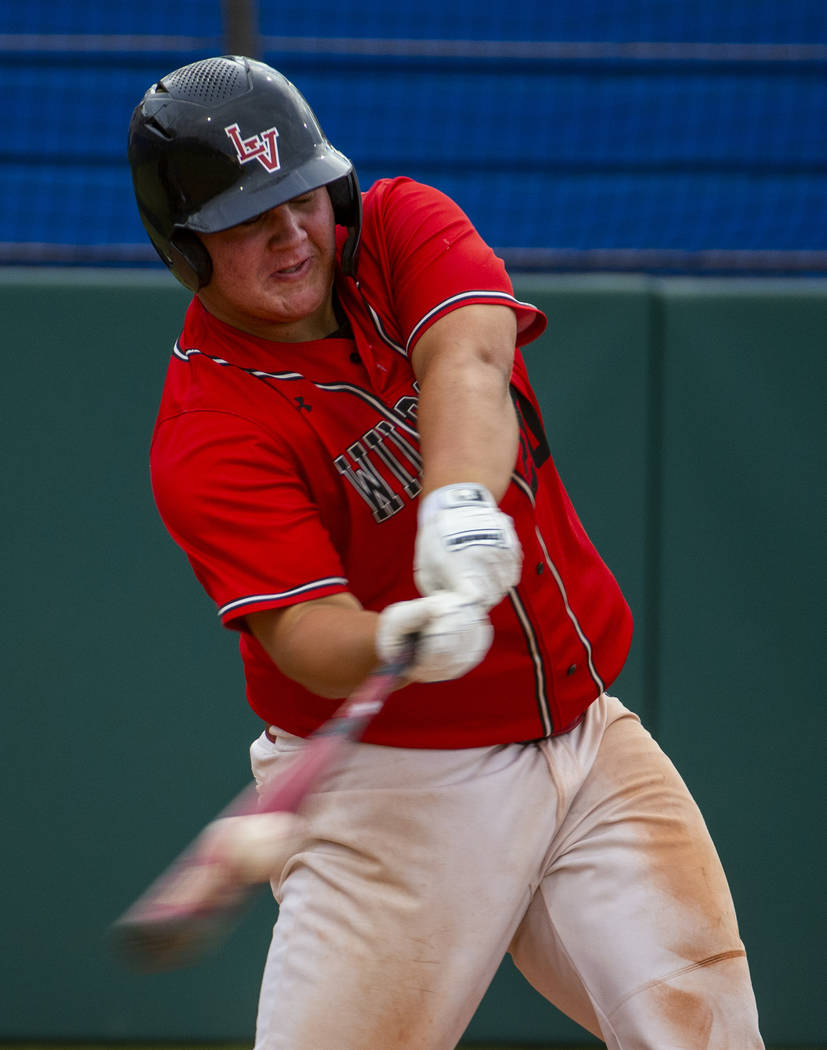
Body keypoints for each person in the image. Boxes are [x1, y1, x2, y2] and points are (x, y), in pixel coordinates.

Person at [128, 55, 764, 1049]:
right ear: (187, 249)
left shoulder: (398, 226)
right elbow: (303, 632)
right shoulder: (208, 429)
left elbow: (467, 355)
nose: (290, 232)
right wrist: (396, 635)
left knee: (706, 1034)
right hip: (393, 791)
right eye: (245, 221)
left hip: (585, 737)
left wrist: (459, 509)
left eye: (299, 197)